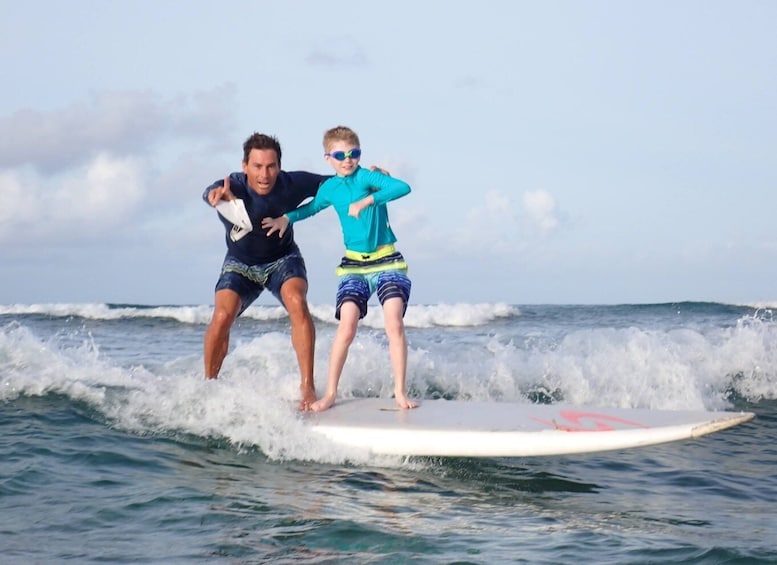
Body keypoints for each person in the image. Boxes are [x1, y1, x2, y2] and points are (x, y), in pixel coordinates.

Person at [262, 126, 418, 412]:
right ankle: (331, 393)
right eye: (340, 155)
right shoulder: (330, 188)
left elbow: (402, 187)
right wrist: (286, 218)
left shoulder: (368, 177)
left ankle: (399, 392)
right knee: (346, 327)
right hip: (353, 266)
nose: (347, 160)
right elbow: (311, 208)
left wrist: (368, 198)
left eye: (353, 153)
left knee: (393, 323)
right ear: (328, 159)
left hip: (387, 261)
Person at [202, 132, 328, 410]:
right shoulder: (232, 184)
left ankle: (307, 386)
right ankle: (209, 385)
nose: (264, 174)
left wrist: (372, 177)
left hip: (282, 260)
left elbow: (341, 184)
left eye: (271, 166)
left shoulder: (292, 183)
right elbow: (211, 192)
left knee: (297, 302)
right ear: (245, 165)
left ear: (279, 166)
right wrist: (215, 195)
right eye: (257, 166)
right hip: (239, 264)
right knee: (222, 316)